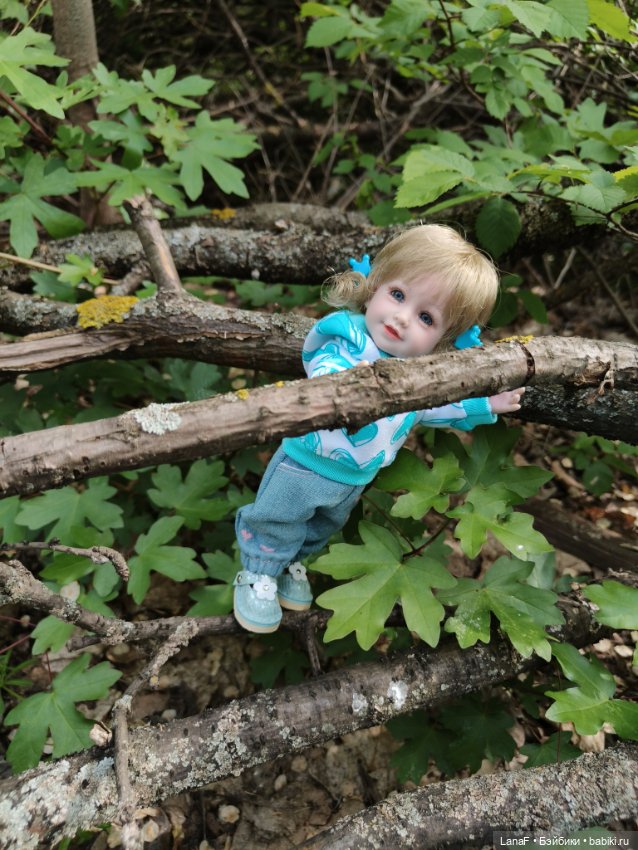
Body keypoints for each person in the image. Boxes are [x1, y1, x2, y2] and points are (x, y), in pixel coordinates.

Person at [233, 224, 525, 633]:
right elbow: (323, 370)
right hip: (305, 461)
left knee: (321, 527)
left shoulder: (419, 374)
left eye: (426, 317)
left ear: (444, 340)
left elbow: (436, 408)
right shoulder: (348, 337)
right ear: (374, 288)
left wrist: (484, 403)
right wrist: (356, 385)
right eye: (398, 295)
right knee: (278, 516)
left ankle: (290, 563)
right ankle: (258, 574)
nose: (402, 318)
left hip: (355, 479)